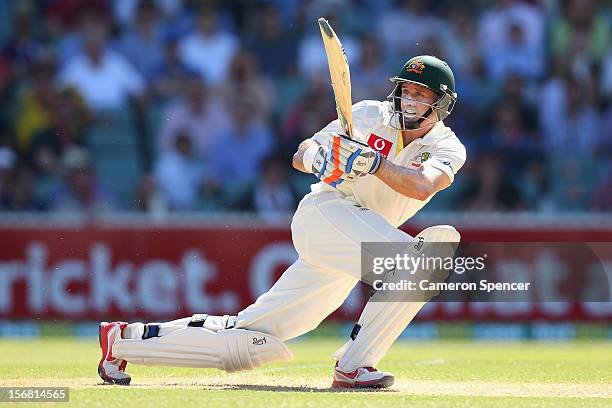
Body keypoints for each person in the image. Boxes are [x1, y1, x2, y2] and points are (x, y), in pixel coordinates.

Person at [97, 55, 466, 389]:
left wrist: (373, 163)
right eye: (406, 91)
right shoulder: (368, 114)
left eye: (422, 94)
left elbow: (422, 187)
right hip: (326, 214)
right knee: (420, 263)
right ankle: (355, 367)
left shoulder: (448, 147)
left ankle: (124, 339)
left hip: (357, 242)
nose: (410, 100)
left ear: (441, 104)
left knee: (252, 339)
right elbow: (301, 152)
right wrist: (320, 159)